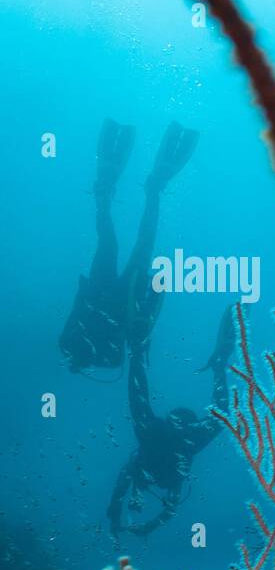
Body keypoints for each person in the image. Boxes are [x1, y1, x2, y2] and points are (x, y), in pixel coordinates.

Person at [59, 119, 199, 375]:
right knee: (124, 242)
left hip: (108, 292)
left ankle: (121, 191)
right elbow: (139, 336)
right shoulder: (104, 357)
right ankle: (141, 190)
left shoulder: (76, 348)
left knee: (123, 242)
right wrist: (156, 290)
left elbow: (135, 335)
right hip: (125, 295)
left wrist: (157, 289)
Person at [107, 306, 235, 538]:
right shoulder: (165, 470)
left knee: (222, 414)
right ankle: (137, 351)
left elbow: (121, 493)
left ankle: (217, 365)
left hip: (167, 436)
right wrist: (143, 526)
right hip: (172, 437)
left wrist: (119, 520)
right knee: (139, 399)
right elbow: (124, 495)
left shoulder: (143, 466)